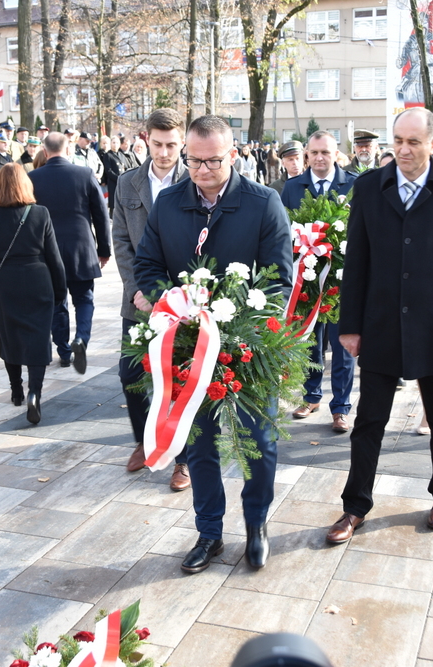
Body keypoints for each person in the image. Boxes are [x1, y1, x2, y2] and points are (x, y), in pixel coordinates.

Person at [134, 115, 292, 573]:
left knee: (257, 442)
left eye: (213, 161)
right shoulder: (168, 203)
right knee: (198, 442)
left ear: (234, 154)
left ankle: (257, 526)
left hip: (247, 350)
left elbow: (281, 282)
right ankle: (209, 532)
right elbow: (147, 263)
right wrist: (169, 300)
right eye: (194, 160)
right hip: (187, 345)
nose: (202, 170)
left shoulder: (264, 203)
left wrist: (241, 322)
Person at [326, 107, 433, 543]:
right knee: (369, 421)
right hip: (379, 324)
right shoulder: (369, 188)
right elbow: (355, 261)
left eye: (414, 142)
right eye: (397, 140)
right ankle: (354, 506)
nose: (403, 149)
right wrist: (349, 326)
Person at [111, 108, 191, 490]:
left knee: (184, 378)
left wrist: (182, 294)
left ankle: (185, 459)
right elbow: (122, 241)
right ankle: (146, 441)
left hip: (183, 299)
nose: (164, 153)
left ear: (182, 142)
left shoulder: (195, 178)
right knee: (131, 374)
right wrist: (138, 290)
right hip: (138, 300)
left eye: (172, 145)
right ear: (146, 139)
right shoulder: (128, 183)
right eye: (157, 144)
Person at [0, 163, 67, 424]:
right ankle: (35, 393)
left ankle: (16, 390)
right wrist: (60, 290)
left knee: (10, 337)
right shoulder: (40, 213)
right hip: (39, 279)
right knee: (38, 339)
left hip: (6, 283)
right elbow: (54, 257)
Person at [281, 131, 356, 434]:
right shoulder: (292, 187)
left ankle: (340, 407)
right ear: (307, 155)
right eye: (314, 153)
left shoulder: (353, 184)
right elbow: (283, 229)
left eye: (326, 152)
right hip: (307, 279)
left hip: (342, 279)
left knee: (342, 344)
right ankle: (311, 395)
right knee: (310, 341)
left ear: (336, 153)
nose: (320, 158)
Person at [28, 132, 110, 374]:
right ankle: (82, 338)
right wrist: (103, 250)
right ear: (68, 150)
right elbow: (101, 215)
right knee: (84, 299)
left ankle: (64, 352)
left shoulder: (32, 178)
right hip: (81, 248)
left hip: (46, 251)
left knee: (57, 303)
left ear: (45, 151)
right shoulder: (84, 174)